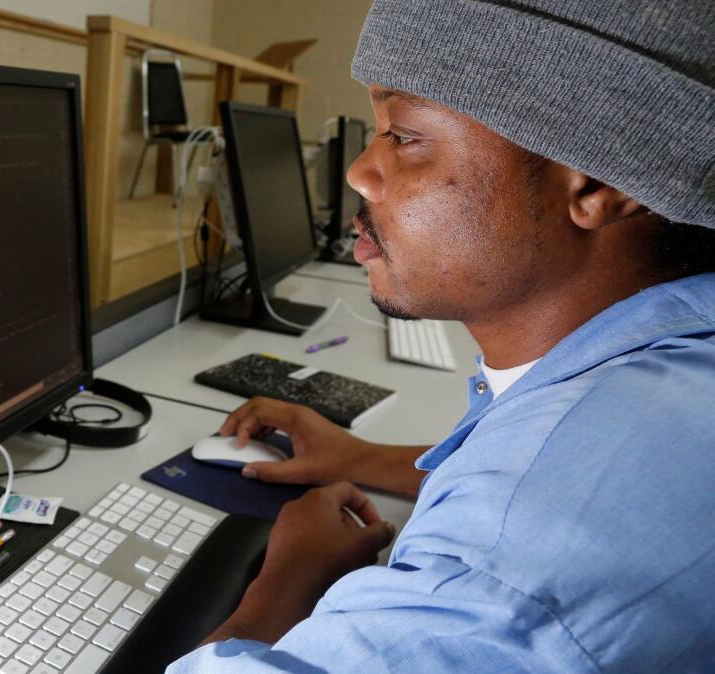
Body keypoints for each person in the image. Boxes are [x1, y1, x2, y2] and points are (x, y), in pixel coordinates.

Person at [169, 0, 715, 671]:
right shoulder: (672, 358)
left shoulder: (511, 570)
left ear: (597, 179)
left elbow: (530, 534)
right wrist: (358, 458)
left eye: (404, 135)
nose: (360, 172)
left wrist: (286, 577)